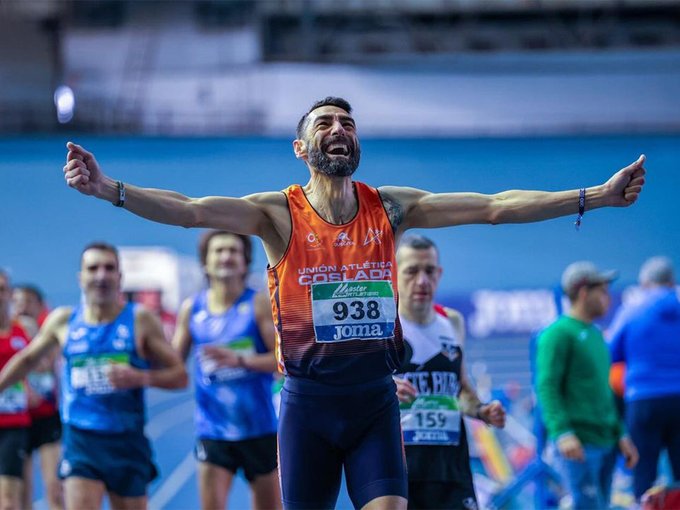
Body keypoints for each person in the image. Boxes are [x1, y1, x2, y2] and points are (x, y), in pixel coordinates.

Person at [62, 96, 646, 509]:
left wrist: (594, 196)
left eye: (348, 121)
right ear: (301, 146)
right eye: (325, 122)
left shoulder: (390, 207)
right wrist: (107, 188)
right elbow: (188, 209)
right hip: (307, 407)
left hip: (373, 403)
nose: (339, 127)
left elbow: (495, 205)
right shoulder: (275, 214)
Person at [0, 243, 188, 510]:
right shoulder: (63, 321)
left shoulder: (140, 320)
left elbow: (180, 376)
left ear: (120, 277)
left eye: (109, 268)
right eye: (93, 268)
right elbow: (27, 359)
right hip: (81, 441)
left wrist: (139, 377)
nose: (101, 275)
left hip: (126, 442)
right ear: (81, 277)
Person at [393, 234, 506, 510]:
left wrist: (481, 410)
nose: (422, 280)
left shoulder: (452, 321)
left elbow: (461, 387)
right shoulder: (385, 325)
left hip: (450, 467)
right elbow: (356, 391)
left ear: (439, 274)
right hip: (401, 471)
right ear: (394, 274)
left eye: (429, 271)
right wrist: (384, 387)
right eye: (411, 271)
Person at [173, 230, 281, 510]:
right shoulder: (192, 309)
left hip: (259, 427)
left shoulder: (258, 304)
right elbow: (174, 364)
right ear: (205, 263)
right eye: (218, 251)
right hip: (213, 430)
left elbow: (281, 362)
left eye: (233, 251)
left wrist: (240, 360)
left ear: (245, 261)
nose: (226, 257)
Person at [535, 261, 639, 509]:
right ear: (583, 292)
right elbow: (547, 387)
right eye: (602, 291)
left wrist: (621, 433)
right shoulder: (557, 334)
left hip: (605, 441)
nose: (608, 298)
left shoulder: (595, 335)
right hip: (578, 444)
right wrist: (562, 433)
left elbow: (603, 392)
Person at [608, 256, 680, 500]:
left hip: (644, 400)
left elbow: (612, 353)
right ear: (672, 281)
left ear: (645, 283)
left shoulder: (632, 312)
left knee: (643, 470)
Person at [13, 285, 64, 510]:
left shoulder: (49, 331)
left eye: (28, 301)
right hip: (17, 421)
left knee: (55, 488)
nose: (23, 306)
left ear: (39, 305)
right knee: (22, 493)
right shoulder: (8, 332)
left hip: (46, 416)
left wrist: (33, 334)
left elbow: (46, 366)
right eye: (18, 301)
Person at [0, 270, 32, 510]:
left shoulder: (22, 330)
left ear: (10, 294)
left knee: (10, 500)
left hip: (14, 423)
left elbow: (38, 365)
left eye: (2, 290)